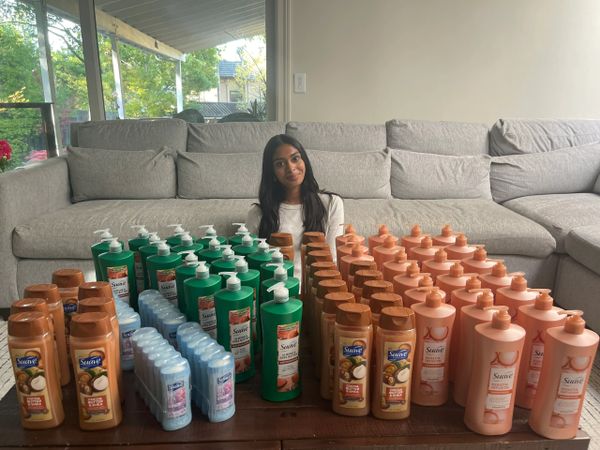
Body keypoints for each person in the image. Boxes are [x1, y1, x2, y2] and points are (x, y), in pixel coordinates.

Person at [246, 134, 344, 279]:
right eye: (280, 164)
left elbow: (332, 260)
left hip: (316, 286)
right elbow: (250, 267)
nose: (291, 168)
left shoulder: (331, 204)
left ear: (304, 161)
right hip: (273, 287)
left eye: (295, 159)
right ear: (272, 173)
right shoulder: (258, 213)